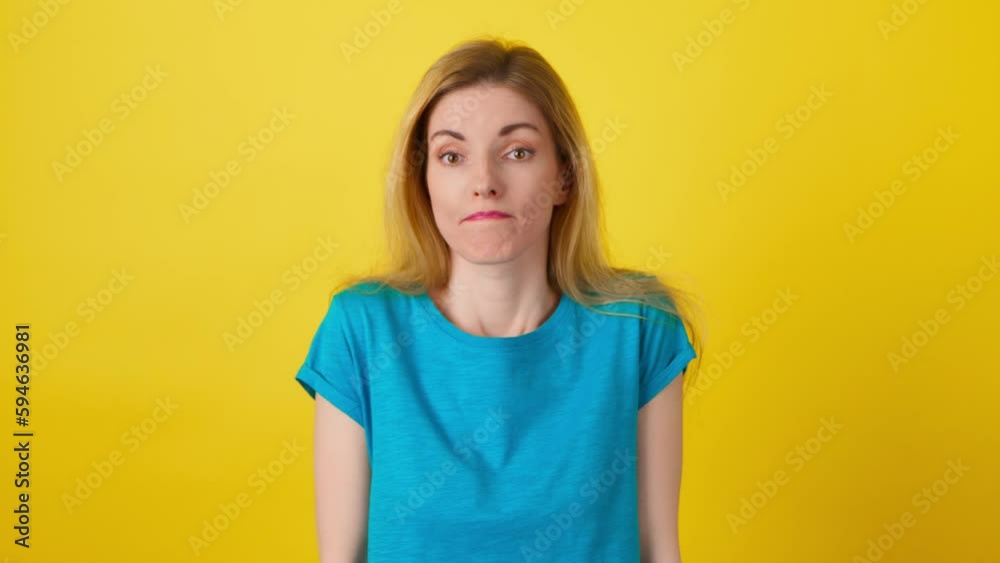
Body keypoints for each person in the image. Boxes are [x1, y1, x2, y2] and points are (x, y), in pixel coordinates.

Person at [294, 35, 703, 563]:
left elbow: (658, 549)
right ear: (423, 181)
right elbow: (341, 555)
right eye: (452, 156)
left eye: (517, 152)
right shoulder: (361, 330)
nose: (484, 182)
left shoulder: (640, 326)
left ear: (564, 177)